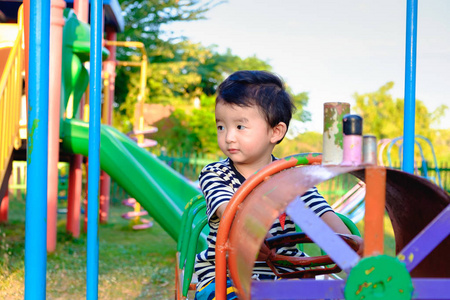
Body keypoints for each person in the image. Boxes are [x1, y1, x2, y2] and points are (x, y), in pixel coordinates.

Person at [193, 70, 362, 300]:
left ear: (275, 131)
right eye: (221, 126)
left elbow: (321, 214)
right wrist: (249, 232)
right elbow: (226, 209)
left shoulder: (293, 178)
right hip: (225, 275)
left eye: (240, 127)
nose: (229, 137)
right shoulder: (216, 174)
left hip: (285, 275)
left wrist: (353, 248)